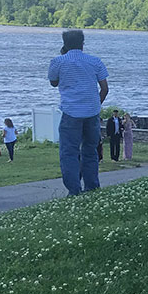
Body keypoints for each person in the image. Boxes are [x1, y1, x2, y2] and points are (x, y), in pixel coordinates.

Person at [48, 30, 109, 195]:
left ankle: (74, 190)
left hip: (70, 112)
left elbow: (54, 82)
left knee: (69, 152)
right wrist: (96, 104)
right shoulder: (95, 61)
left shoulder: (58, 61)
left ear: (64, 43)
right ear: (83, 43)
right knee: (90, 150)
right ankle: (92, 186)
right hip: (92, 112)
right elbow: (104, 88)